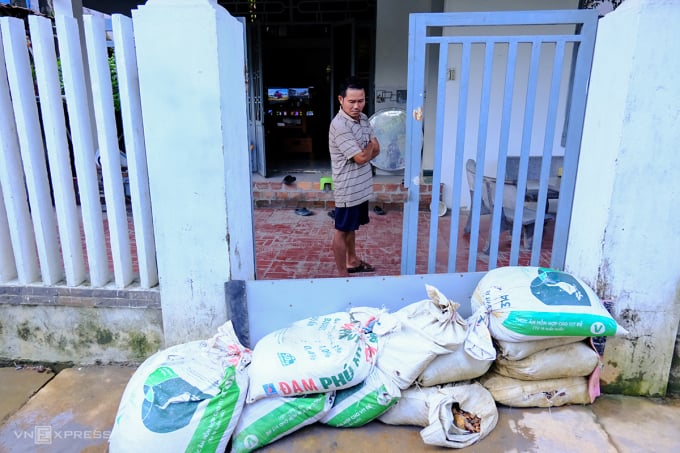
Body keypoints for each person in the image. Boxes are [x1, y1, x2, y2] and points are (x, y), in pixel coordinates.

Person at [328, 77, 380, 277]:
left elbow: (378, 149)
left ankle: (352, 261)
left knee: (351, 228)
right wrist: (368, 147)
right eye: (352, 101)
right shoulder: (339, 125)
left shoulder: (364, 119)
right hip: (348, 188)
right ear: (341, 99)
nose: (357, 106)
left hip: (361, 186)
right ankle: (343, 275)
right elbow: (361, 157)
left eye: (361, 100)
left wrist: (367, 150)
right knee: (341, 230)